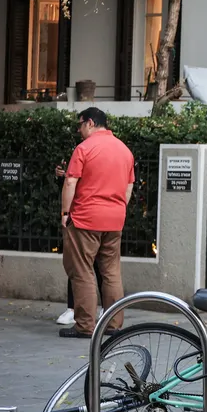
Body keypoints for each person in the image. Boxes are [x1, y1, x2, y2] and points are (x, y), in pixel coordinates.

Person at [59, 107, 135, 338]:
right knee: (111, 272)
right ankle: (113, 325)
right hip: (114, 220)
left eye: (80, 125)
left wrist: (65, 213)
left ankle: (85, 326)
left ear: (90, 123)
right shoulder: (124, 150)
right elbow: (129, 186)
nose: (79, 130)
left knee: (82, 271)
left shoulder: (84, 149)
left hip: (85, 219)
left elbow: (70, 182)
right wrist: (119, 208)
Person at [55, 163, 104, 326]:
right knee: (82, 265)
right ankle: (75, 308)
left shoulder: (89, 154)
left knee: (87, 265)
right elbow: (69, 184)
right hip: (84, 215)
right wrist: (61, 176)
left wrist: (65, 213)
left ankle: (85, 313)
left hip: (86, 215)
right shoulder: (82, 153)